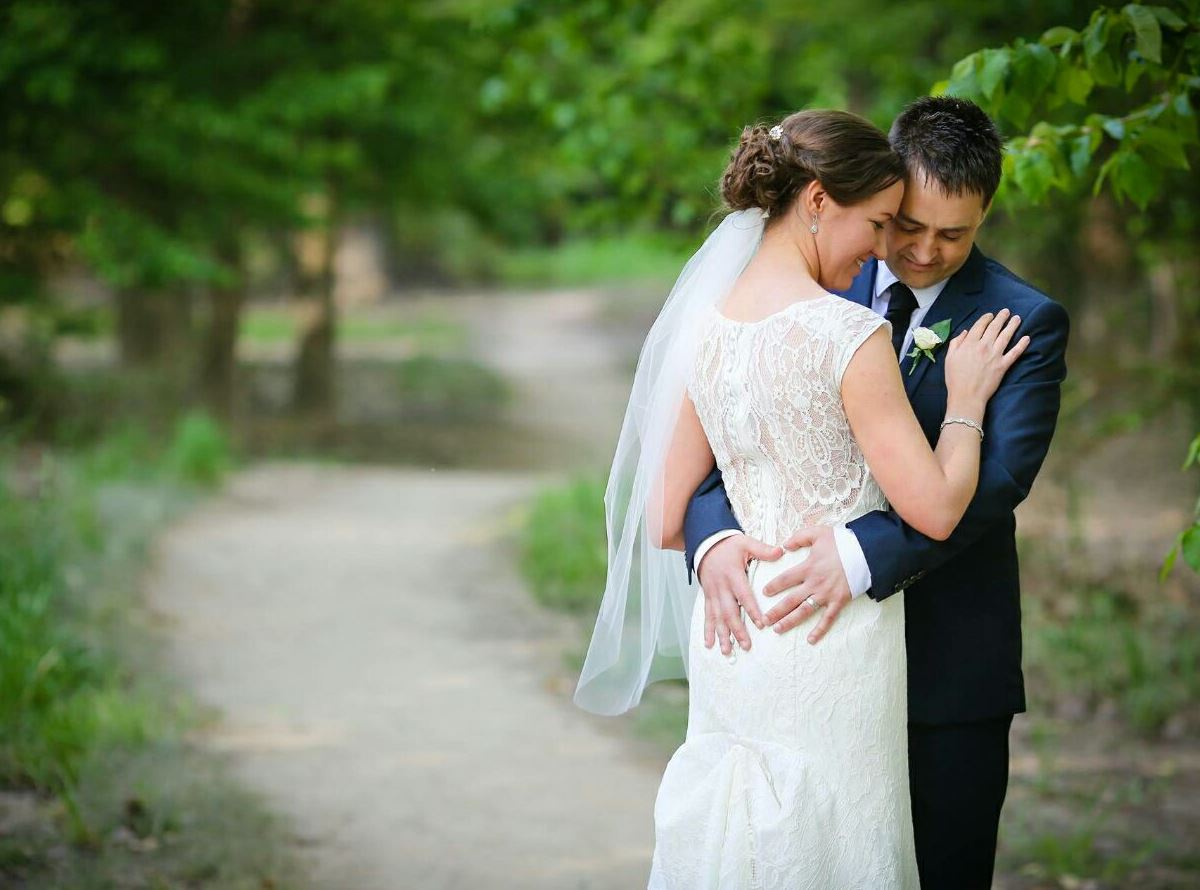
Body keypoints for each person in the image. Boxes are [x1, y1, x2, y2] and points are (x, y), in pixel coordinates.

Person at [574, 106, 1030, 888]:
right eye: (880, 223)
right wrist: (963, 401)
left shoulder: (706, 326)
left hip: (744, 639)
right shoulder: (846, 333)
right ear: (817, 202)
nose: (884, 249)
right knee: (838, 840)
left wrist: (716, 546)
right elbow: (937, 508)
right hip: (829, 641)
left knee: (750, 843)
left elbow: (664, 513)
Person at [683, 97, 1071, 889]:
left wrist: (860, 554)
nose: (924, 252)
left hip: (946, 664)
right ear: (883, 199)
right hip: (810, 659)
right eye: (907, 226)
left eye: (954, 234)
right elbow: (734, 436)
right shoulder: (816, 280)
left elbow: (997, 483)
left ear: (986, 214)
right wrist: (714, 538)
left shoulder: (1023, 321)